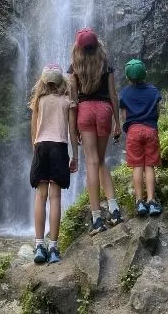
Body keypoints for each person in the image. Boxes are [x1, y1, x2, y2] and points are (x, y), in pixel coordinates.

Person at [68, 27, 123, 234]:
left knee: (91, 163)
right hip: (104, 111)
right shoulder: (106, 64)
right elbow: (113, 95)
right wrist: (117, 122)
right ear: (97, 45)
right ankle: (115, 210)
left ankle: (97, 218)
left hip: (84, 111)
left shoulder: (73, 68)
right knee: (101, 160)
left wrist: (73, 128)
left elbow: (73, 100)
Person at [29, 65, 78, 264]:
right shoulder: (67, 101)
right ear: (61, 82)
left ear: (43, 82)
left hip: (41, 147)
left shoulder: (38, 101)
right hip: (59, 147)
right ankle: (54, 248)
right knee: (55, 197)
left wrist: (36, 152)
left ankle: (39, 246)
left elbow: (33, 132)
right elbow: (73, 131)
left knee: (40, 197)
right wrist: (75, 156)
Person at [119, 59, 162, 217]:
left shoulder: (124, 93)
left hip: (133, 131)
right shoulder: (153, 91)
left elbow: (124, 116)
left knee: (137, 166)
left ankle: (139, 202)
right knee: (149, 166)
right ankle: (151, 201)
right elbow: (157, 112)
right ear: (145, 73)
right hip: (150, 129)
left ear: (127, 77)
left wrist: (129, 127)